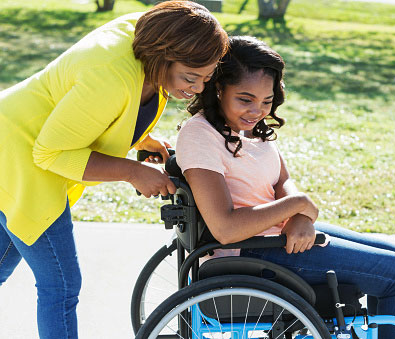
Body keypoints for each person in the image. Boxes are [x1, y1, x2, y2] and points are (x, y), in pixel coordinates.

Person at [0, 1, 228, 338]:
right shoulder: (109, 76)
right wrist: (132, 172)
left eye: (206, 79)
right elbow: (50, 153)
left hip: (17, 139)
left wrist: (139, 138)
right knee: (60, 285)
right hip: (20, 157)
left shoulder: (148, 36)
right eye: (190, 78)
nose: (196, 88)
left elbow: (93, 109)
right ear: (161, 56)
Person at [175, 36, 395, 339]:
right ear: (219, 87)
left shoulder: (249, 131)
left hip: (275, 236)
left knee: (394, 253)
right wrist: (297, 205)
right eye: (245, 99)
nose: (257, 111)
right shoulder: (201, 135)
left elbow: (281, 181)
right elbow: (224, 228)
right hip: (252, 252)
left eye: (267, 101)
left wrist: (301, 216)